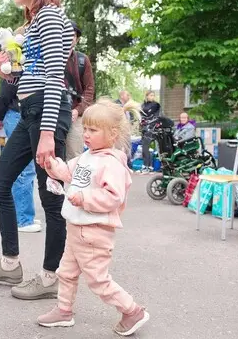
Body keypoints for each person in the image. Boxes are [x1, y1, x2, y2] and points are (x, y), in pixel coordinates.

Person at [0, 0, 74, 300]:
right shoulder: (33, 23)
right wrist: (8, 69)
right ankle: (10, 262)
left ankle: (51, 278)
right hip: (29, 110)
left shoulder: (48, 16)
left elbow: (53, 79)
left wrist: (47, 134)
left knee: (51, 199)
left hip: (47, 114)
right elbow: (31, 75)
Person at [36, 100, 149, 336]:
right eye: (85, 128)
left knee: (98, 280)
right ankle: (64, 311)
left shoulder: (112, 163)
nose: (86, 134)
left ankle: (132, 310)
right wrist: (52, 166)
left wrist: (85, 198)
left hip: (95, 232)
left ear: (113, 133)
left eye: (93, 130)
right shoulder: (88, 156)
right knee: (65, 273)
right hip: (76, 229)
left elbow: (113, 197)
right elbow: (68, 173)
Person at [0, 79, 41, 233]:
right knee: (24, 170)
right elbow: (5, 94)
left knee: (27, 167)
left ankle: (23, 213)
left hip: (21, 113)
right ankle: (23, 219)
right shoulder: (14, 62)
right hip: (16, 114)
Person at [64, 21, 95, 161]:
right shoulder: (49, 57)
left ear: (76, 38)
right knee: (52, 157)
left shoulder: (82, 60)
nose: (69, 37)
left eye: (73, 35)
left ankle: (74, 183)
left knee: (74, 156)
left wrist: (78, 110)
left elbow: (89, 89)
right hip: (53, 113)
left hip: (75, 114)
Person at [139, 90, 161, 174]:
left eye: (153, 95)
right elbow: (141, 115)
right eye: (151, 95)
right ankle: (146, 166)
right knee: (145, 148)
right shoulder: (143, 105)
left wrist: (147, 120)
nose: (152, 97)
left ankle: (149, 166)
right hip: (144, 128)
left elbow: (155, 116)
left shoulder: (156, 105)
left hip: (152, 128)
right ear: (147, 96)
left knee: (149, 148)